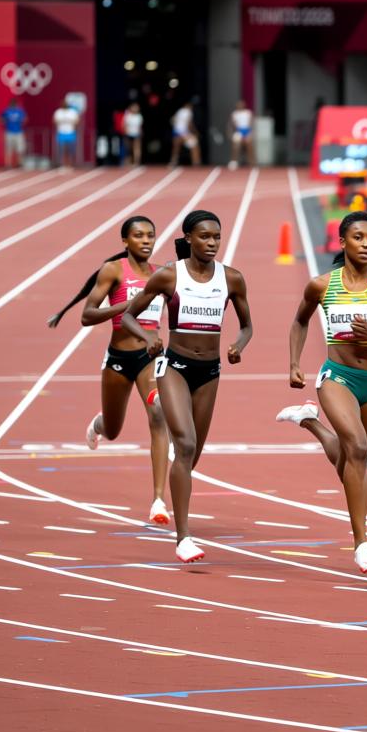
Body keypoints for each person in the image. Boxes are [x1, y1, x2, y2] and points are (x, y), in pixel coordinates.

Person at [275, 211, 367, 574]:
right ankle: (362, 544)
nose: (366, 244)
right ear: (343, 242)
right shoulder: (322, 285)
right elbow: (299, 320)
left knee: (351, 460)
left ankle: (310, 422)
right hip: (337, 377)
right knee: (356, 449)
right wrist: (295, 363)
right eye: (358, 238)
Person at [121, 210, 253, 563]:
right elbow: (130, 315)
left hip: (209, 371)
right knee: (186, 442)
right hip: (174, 368)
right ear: (189, 239)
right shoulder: (169, 276)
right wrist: (149, 336)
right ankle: (183, 537)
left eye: (217, 238)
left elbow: (247, 326)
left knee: (191, 455)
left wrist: (238, 346)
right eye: (205, 237)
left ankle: (173, 487)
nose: (212, 243)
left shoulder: (232, 279)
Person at [45, 216, 171, 526]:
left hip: (149, 357)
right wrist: (129, 308)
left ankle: (158, 499)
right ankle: (100, 423)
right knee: (114, 430)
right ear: (125, 241)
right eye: (138, 235)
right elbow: (87, 315)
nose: (145, 240)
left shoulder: (162, 275)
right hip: (118, 358)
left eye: (150, 235)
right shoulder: (114, 271)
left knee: (158, 413)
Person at [168, 101, 201, 167]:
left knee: (176, 148)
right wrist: (195, 132)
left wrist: (176, 126)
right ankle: (196, 162)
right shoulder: (188, 112)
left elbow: (172, 120)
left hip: (176, 131)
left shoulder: (179, 111)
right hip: (183, 132)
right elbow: (189, 124)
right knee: (194, 144)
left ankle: (173, 162)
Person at [227, 100, 255, 170]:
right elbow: (233, 124)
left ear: (244, 105)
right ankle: (234, 161)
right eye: (239, 105)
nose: (240, 106)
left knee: (249, 144)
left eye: (241, 104)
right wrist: (232, 133)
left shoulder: (248, 113)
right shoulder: (234, 114)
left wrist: (248, 133)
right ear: (237, 106)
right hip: (238, 131)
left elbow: (250, 123)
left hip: (247, 131)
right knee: (235, 145)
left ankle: (251, 162)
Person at [1, 98, 26, 168]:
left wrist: (21, 122)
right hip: (9, 132)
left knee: (20, 148)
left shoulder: (20, 111)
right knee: (8, 148)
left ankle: (19, 163)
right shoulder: (6, 111)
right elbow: (0, 119)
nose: (13, 105)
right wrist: (5, 122)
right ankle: (8, 164)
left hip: (18, 131)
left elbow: (25, 119)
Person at [53, 103, 80, 167]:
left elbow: (77, 121)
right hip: (61, 133)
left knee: (71, 150)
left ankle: (70, 164)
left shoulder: (72, 112)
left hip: (70, 132)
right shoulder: (58, 112)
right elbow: (54, 121)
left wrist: (71, 123)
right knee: (61, 150)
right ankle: (62, 164)